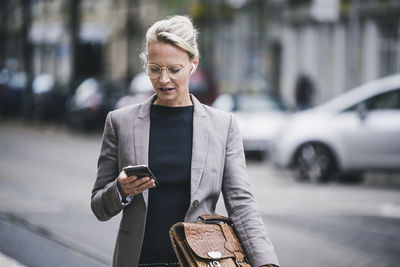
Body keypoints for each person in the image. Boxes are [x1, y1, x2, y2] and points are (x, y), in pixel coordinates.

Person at [91, 15, 279, 267]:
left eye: (174, 69)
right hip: (138, 261)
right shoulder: (120, 122)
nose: (163, 79)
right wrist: (121, 190)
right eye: (155, 69)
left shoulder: (222, 126)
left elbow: (242, 204)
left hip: (201, 262)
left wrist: (266, 263)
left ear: (193, 64)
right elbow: (99, 206)